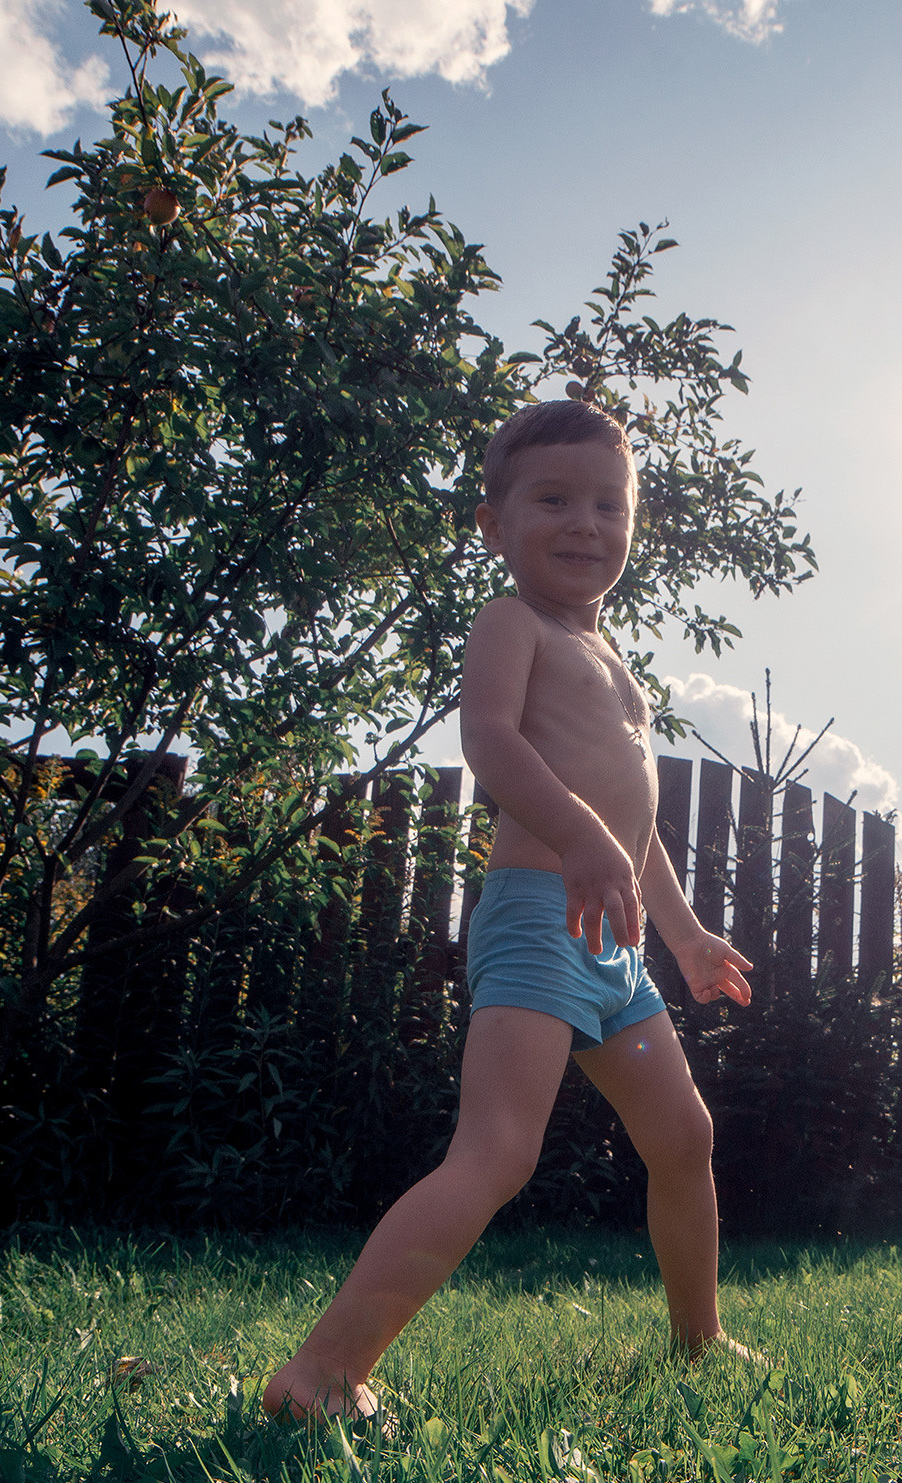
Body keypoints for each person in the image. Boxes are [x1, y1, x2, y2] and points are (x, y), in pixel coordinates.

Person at [263, 399, 761, 1425]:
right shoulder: (512, 624)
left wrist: (685, 934)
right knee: (497, 1151)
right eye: (553, 499)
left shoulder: (616, 664)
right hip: (537, 914)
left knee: (683, 1134)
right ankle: (322, 1372)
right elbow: (487, 741)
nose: (585, 522)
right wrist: (578, 835)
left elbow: (636, 837)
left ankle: (698, 1339)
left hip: (611, 942)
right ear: (493, 523)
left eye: (607, 504)